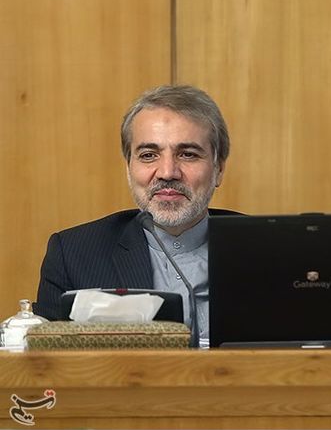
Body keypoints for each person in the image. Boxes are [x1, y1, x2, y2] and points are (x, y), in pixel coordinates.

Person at [34, 85, 238, 339]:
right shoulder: (73, 254)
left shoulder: (269, 249)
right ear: (128, 168)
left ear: (218, 169)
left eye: (188, 154)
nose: (167, 172)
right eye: (149, 155)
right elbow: (44, 358)